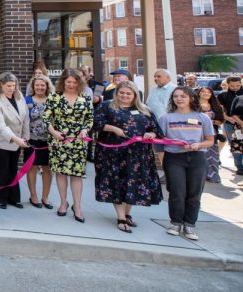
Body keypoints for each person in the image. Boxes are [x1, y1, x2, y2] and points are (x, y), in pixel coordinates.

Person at [93, 81, 163, 233]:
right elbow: (95, 123)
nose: (124, 96)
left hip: (138, 155)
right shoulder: (106, 106)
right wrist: (113, 129)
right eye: (121, 93)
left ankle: (127, 213)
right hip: (112, 154)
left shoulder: (144, 110)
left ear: (135, 95)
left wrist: (150, 134)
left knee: (132, 183)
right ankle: (121, 217)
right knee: (117, 183)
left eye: (128, 93)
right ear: (116, 93)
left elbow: (155, 129)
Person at [159, 86, 214, 241]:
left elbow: (210, 141)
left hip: (197, 158)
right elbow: (160, 142)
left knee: (194, 193)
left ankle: (189, 224)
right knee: (177, 191)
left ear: (191, 98)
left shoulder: (203, 118)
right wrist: (164, 161)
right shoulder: (166, 118)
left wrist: (199, 145)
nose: (179, 99)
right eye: (176, 96)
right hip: (174, 158)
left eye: (183, 96)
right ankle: (175, 222)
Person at [43, 68, 94, 222]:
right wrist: (54, 133)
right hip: (59, 141)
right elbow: (46, 118)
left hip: (78, 142)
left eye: (74, 82)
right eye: (68, 82)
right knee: (61, 173)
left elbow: (90, 119)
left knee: (76, 175)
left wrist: (85, 130)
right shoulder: (54, 97)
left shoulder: (85, 98)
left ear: (79, 83)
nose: (71, 85)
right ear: (63, 82)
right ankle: (63, 203)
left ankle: (77, 206)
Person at [0, 72, 30, 209]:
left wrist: (26, 137)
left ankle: (13, 198)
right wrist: (17, 139)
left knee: (13, 168)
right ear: (1, 85)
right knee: (2, 170)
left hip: (17, 140)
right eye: (8, 85)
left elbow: (25, 118)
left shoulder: (19, 97)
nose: (12, 88)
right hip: (0, 140)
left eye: (14, 85)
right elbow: (0, 127)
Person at [24, 75, 54, 209]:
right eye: (37, 85)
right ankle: (33, 195)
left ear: (47, 86)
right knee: (32, 167)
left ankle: (45, 197)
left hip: (49, 141)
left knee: (47, 169)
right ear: (33, 86)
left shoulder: (53, 100)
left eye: (43, 85)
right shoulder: (27, 100)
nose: (40, 87)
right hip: (32, 140)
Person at [196, 86, 225, 183]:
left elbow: (220, 121)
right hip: (196, 133)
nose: (206, 93)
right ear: (199, 93)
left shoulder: (215, 106)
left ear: (211, 94)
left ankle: (213, 175)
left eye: (208, 92)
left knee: (213, 156)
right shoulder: (193, 105)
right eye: (203, 91)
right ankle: (200, 176)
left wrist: (209, 121)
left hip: (212, 134)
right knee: (200, 155)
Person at [216, 76, 243, 175]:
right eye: (232, 86)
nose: (235, 87)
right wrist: (227, 118)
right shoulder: (223, 95)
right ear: (227, 84)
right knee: (235, 145)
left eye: (238, 85)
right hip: (230, 124)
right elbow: (220, 110)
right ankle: (239, 167)